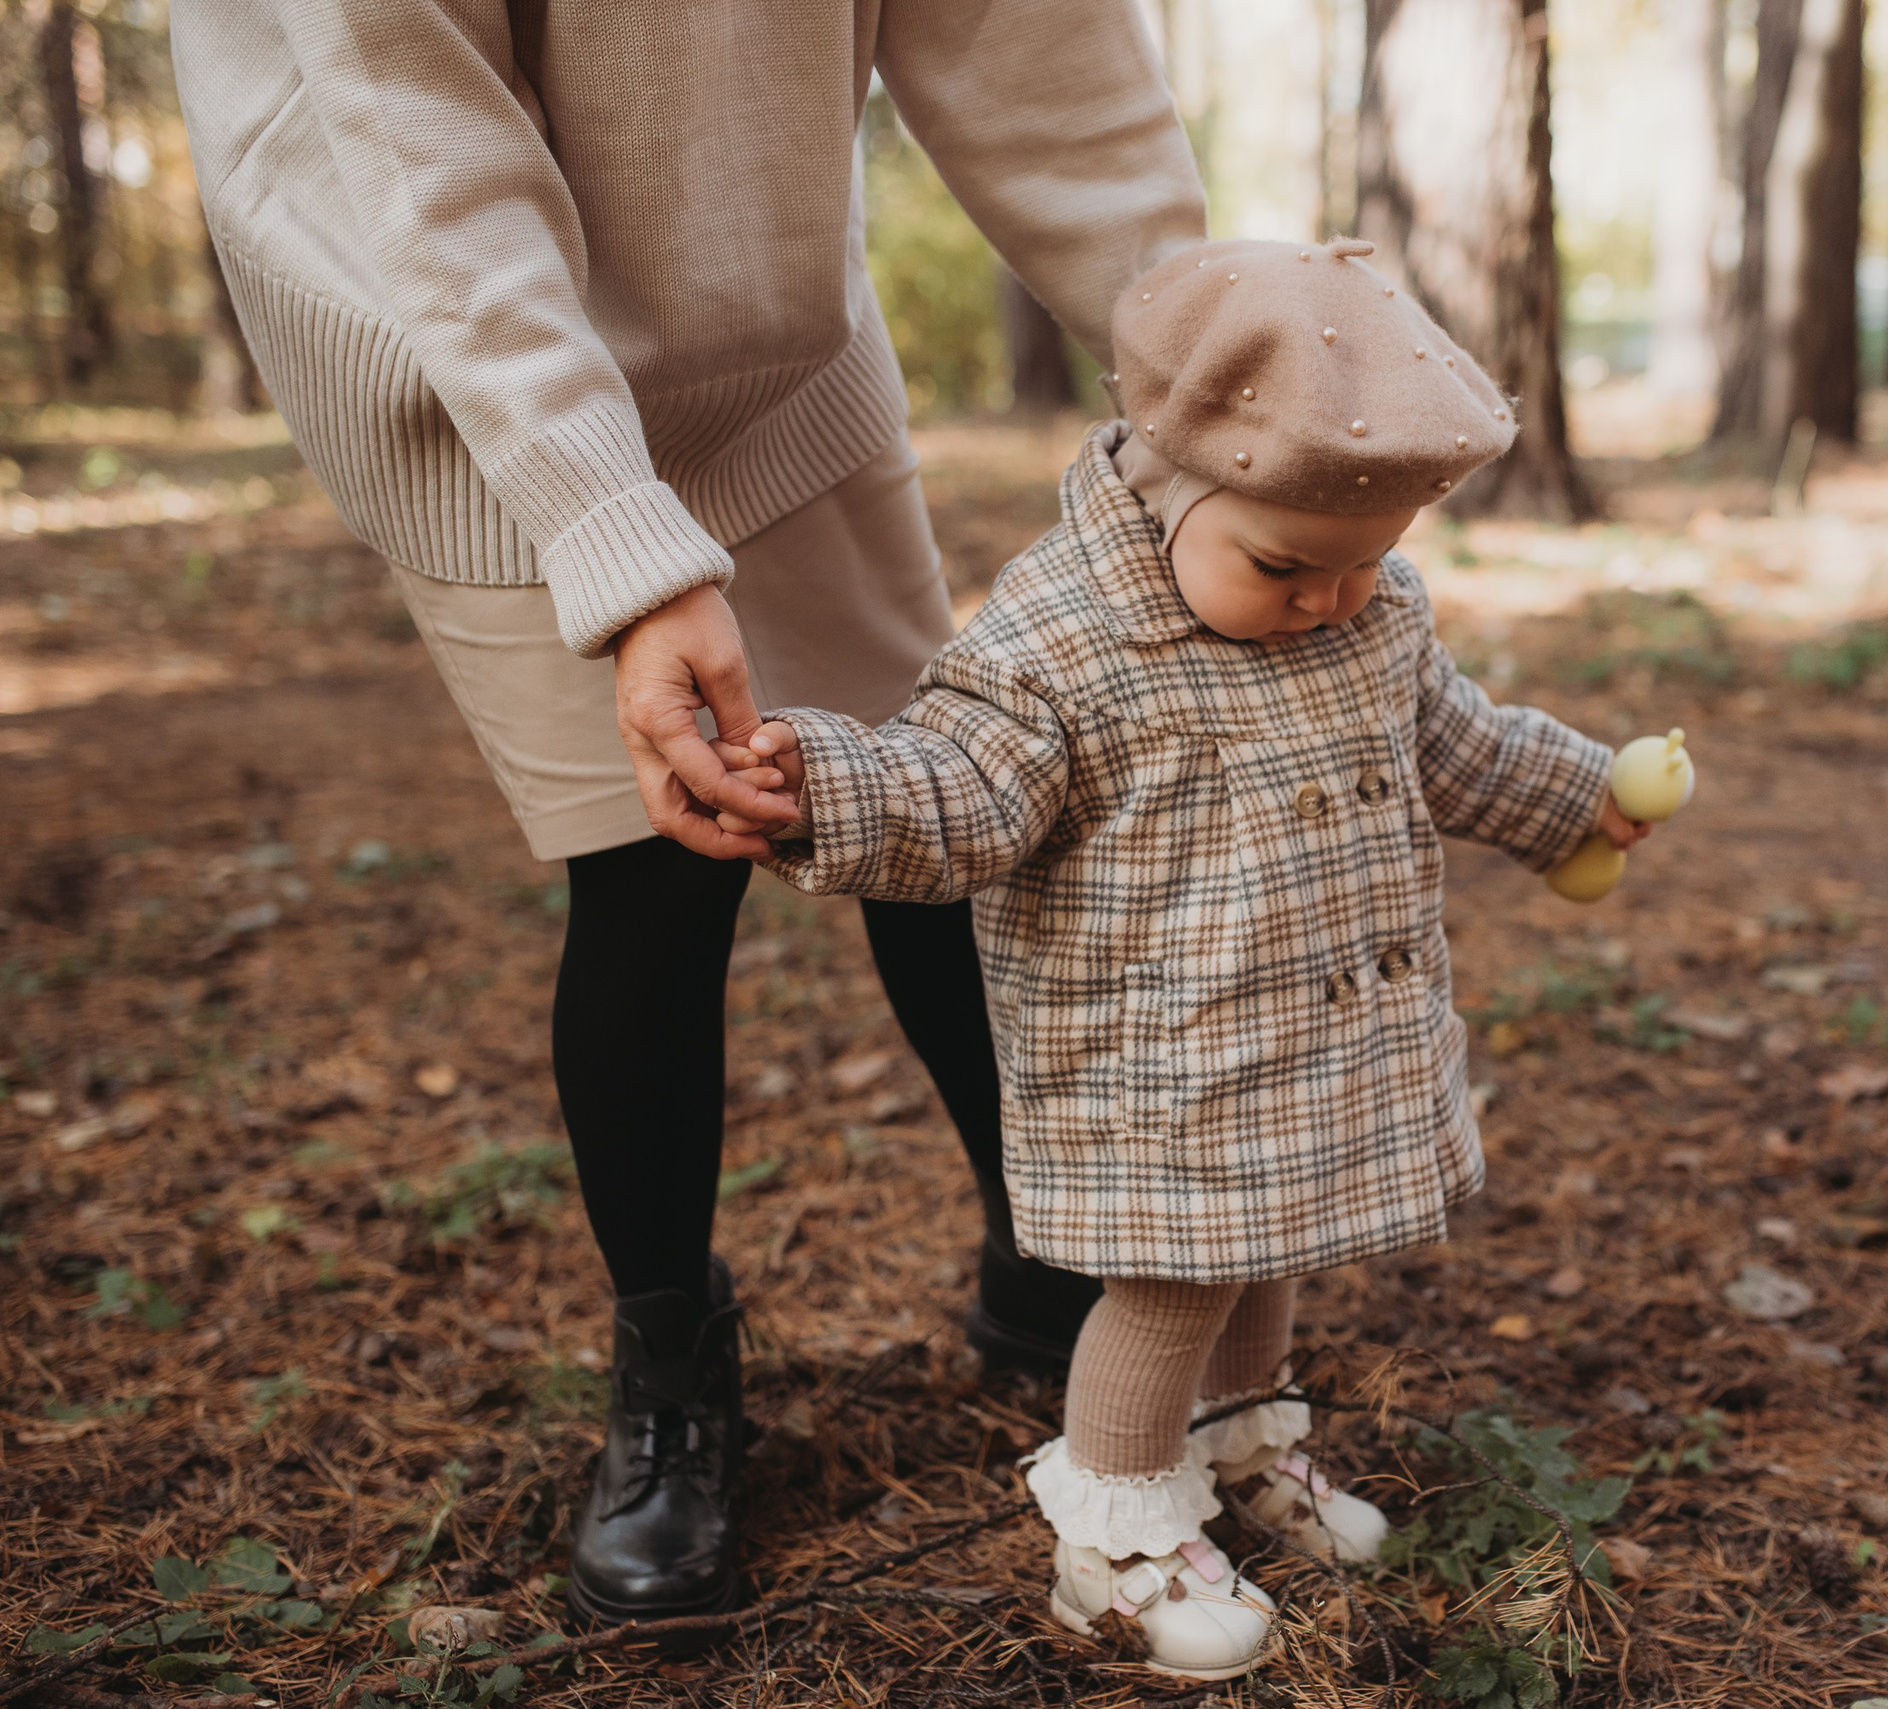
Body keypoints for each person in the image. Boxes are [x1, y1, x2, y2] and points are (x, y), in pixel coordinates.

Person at [165, 0, 1206, 1628]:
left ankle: (1045, 1245)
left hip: (765, 319)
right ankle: (671, 1361)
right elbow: (425, 144)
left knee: (925, 792)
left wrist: (1216, 393)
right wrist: (617, 538)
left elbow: (1034, 54)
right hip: (450, 323)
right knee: (658, 863)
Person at [717, 238, 1651, 1680]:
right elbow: (961, 792)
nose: (1331, 600)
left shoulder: (1367, 608)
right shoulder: (1062, 641)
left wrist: (1573, 793)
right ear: (1170, 481)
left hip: (1304, 1037)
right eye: (1284, 564)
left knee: (1275, 1251)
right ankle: (1117, 1541)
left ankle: (1238, 1444)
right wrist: (825, 790)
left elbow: (1450, 742)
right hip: (1157, 1054)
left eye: (1365, 567)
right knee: (1166, 1292)